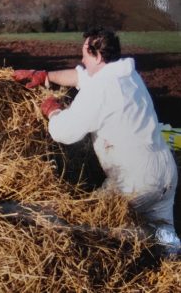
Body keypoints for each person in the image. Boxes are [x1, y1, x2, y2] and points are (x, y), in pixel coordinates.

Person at [13, 28, 181, 254]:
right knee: (166, 239)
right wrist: (45, 76)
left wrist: (53, 111)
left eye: (85, 54)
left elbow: (65, 132)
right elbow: (80, 76)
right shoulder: (126, 74)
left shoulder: (102, 89)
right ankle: (172, 276)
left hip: (135, 180)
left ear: (98, 56)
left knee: (96, 229)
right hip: (165, 172)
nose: (81, 60)